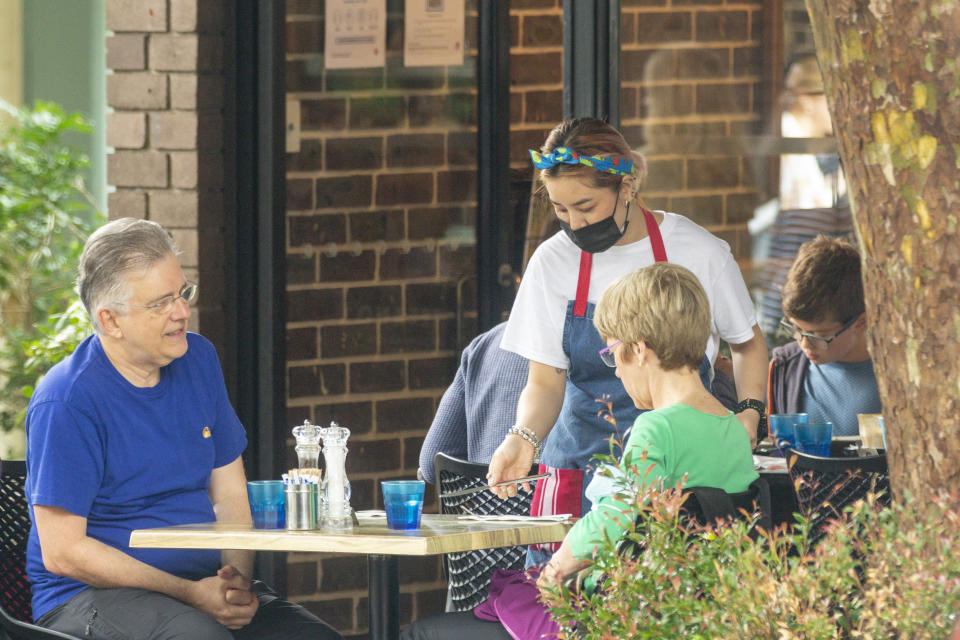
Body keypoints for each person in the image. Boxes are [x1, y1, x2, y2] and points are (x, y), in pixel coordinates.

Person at [400, 263, 759, 640]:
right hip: (692, 612)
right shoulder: (734, 428)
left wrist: (555, 568)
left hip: (621, 614)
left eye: (613, 354)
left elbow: (615, 518)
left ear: (638, 350)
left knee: (432, 628)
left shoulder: (657, 428)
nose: (616, 372)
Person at [24, 218, 341, 640]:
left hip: (203, 584)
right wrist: (191, 594)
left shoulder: (199, 360)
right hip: (86, 597)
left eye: (182, 293)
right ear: (110, 320)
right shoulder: (67, 400)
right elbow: (64, 553)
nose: (181, 312)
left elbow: (229, 494)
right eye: (160, 303)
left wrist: (236, 583)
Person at [486, 118, 768, 565]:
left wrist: (750, 416)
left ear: (627, 186)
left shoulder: (699, 251)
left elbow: (748, 344)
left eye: (586, 206)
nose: (575, 224)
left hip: (679, 473)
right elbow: (545, 380)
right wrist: (522, 438)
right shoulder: (551, 262)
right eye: (561, 211)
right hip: (577, 470)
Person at [768, 235, 881, 436]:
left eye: (819, 336)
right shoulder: (786, 368)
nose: (804, 344)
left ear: (861, 322)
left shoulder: (893, 374)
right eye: (796, 330)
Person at [418, 322, 528, 484]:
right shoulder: (574, 347)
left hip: (485, 506)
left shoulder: (483, 346)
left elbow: (432, 464)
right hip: (556, 504)